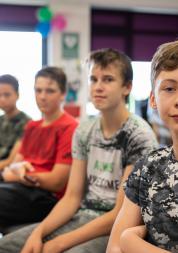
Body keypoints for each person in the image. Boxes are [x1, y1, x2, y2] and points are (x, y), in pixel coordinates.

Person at [0, 48, 157, 253]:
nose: (98, 87)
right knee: (7, 246)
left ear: (127, 87)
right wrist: (38, 232)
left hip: (113, 227)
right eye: (93, 79)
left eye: (108, 79)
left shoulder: (138, 135)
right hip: (81, 216)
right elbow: (72, 197)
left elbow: (119, 214)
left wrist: (60, 242)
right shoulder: (84, 130)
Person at [106, 40, 178, 253]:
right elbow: (114, 248)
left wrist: (131, 241)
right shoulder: (148, 167)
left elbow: (124, 241)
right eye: (170, 88)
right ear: (154, 99)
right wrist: (125, 240)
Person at [0, 66, 78, 229]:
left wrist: (21, 174)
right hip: (20, 190)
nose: (42, 97)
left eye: (50, 91)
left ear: (63, 94)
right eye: (38, 90)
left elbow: (56, 182)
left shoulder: (70, 127)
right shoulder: (32, 126)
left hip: (48, 199)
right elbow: (12, 167)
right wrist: (19, 173)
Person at [0, 74, 30, 170]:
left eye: (7, 95)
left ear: (17, 95)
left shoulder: (27, 123)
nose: (2, 99)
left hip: (11, 174)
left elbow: (11, 161)